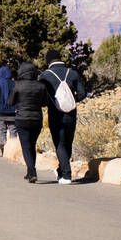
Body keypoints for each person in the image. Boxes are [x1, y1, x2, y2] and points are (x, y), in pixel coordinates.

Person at [39, 49, 88, 184]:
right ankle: (61, 171)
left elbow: (42, 97)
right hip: (71, 113)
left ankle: (66, 175)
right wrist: (71, 101)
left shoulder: (45, 75)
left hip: (55, 114)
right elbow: (83, 93)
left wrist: (52, 103)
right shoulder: (72, 73)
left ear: (48, 60)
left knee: (59, 143)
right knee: (68, 143)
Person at [9, 61, 49, 183]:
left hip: (22, 118)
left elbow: (10, 102)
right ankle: (29, 171)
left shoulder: (18, 85)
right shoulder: (41, 86)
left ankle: (32, 171)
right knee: (32, 145)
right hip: (37, 118)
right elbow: (45, 102)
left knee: (26, 146)